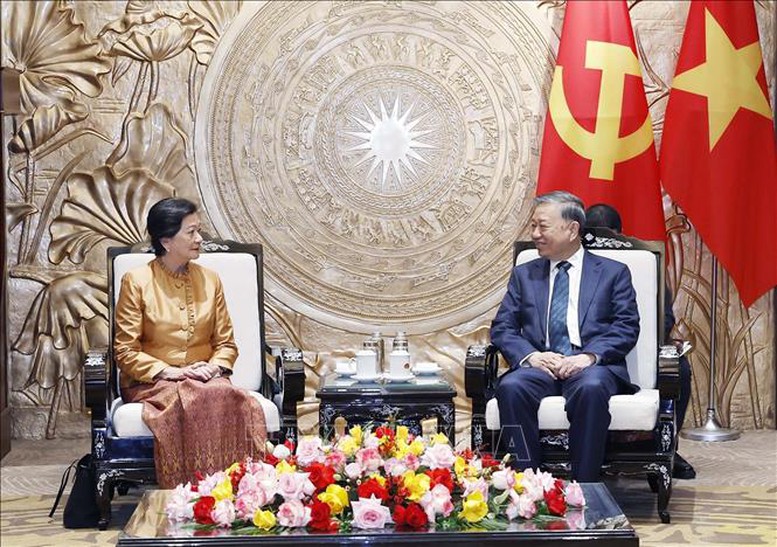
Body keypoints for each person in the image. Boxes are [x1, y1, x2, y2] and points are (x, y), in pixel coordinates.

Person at [114, 197, 266, 488]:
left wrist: (213, 368)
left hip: (205, 379)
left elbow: (226, 344)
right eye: (191, 232)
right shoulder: (136, 281)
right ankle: (191, 493)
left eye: (199, 231)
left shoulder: (210, 279)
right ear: (166, 241)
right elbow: (125, 351)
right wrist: (171, 372)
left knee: (230, 397)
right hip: (152, 382)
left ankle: (237, 491)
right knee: (201, 396)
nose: (199, 239)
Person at [491, 191, 640, 482]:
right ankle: (528, 483)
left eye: (542, 226)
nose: (535, 234)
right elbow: (503, 327)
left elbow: (626, 326)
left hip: (589, 367)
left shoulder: (613, 273)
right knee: (511, 387)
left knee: (592, 387)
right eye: (533, 226)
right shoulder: (524, 274)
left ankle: (585, 485)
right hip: (542, 366)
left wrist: (588, 357)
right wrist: (532, 356)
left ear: (572, 230)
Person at [585, 203, 696, 480]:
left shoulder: (643, 264)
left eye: (607, 236)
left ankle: (665, 446)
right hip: (586, 354)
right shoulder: (574, 265)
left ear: (619, 235)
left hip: (635, 348)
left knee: (678, 370)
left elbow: (664, 320)